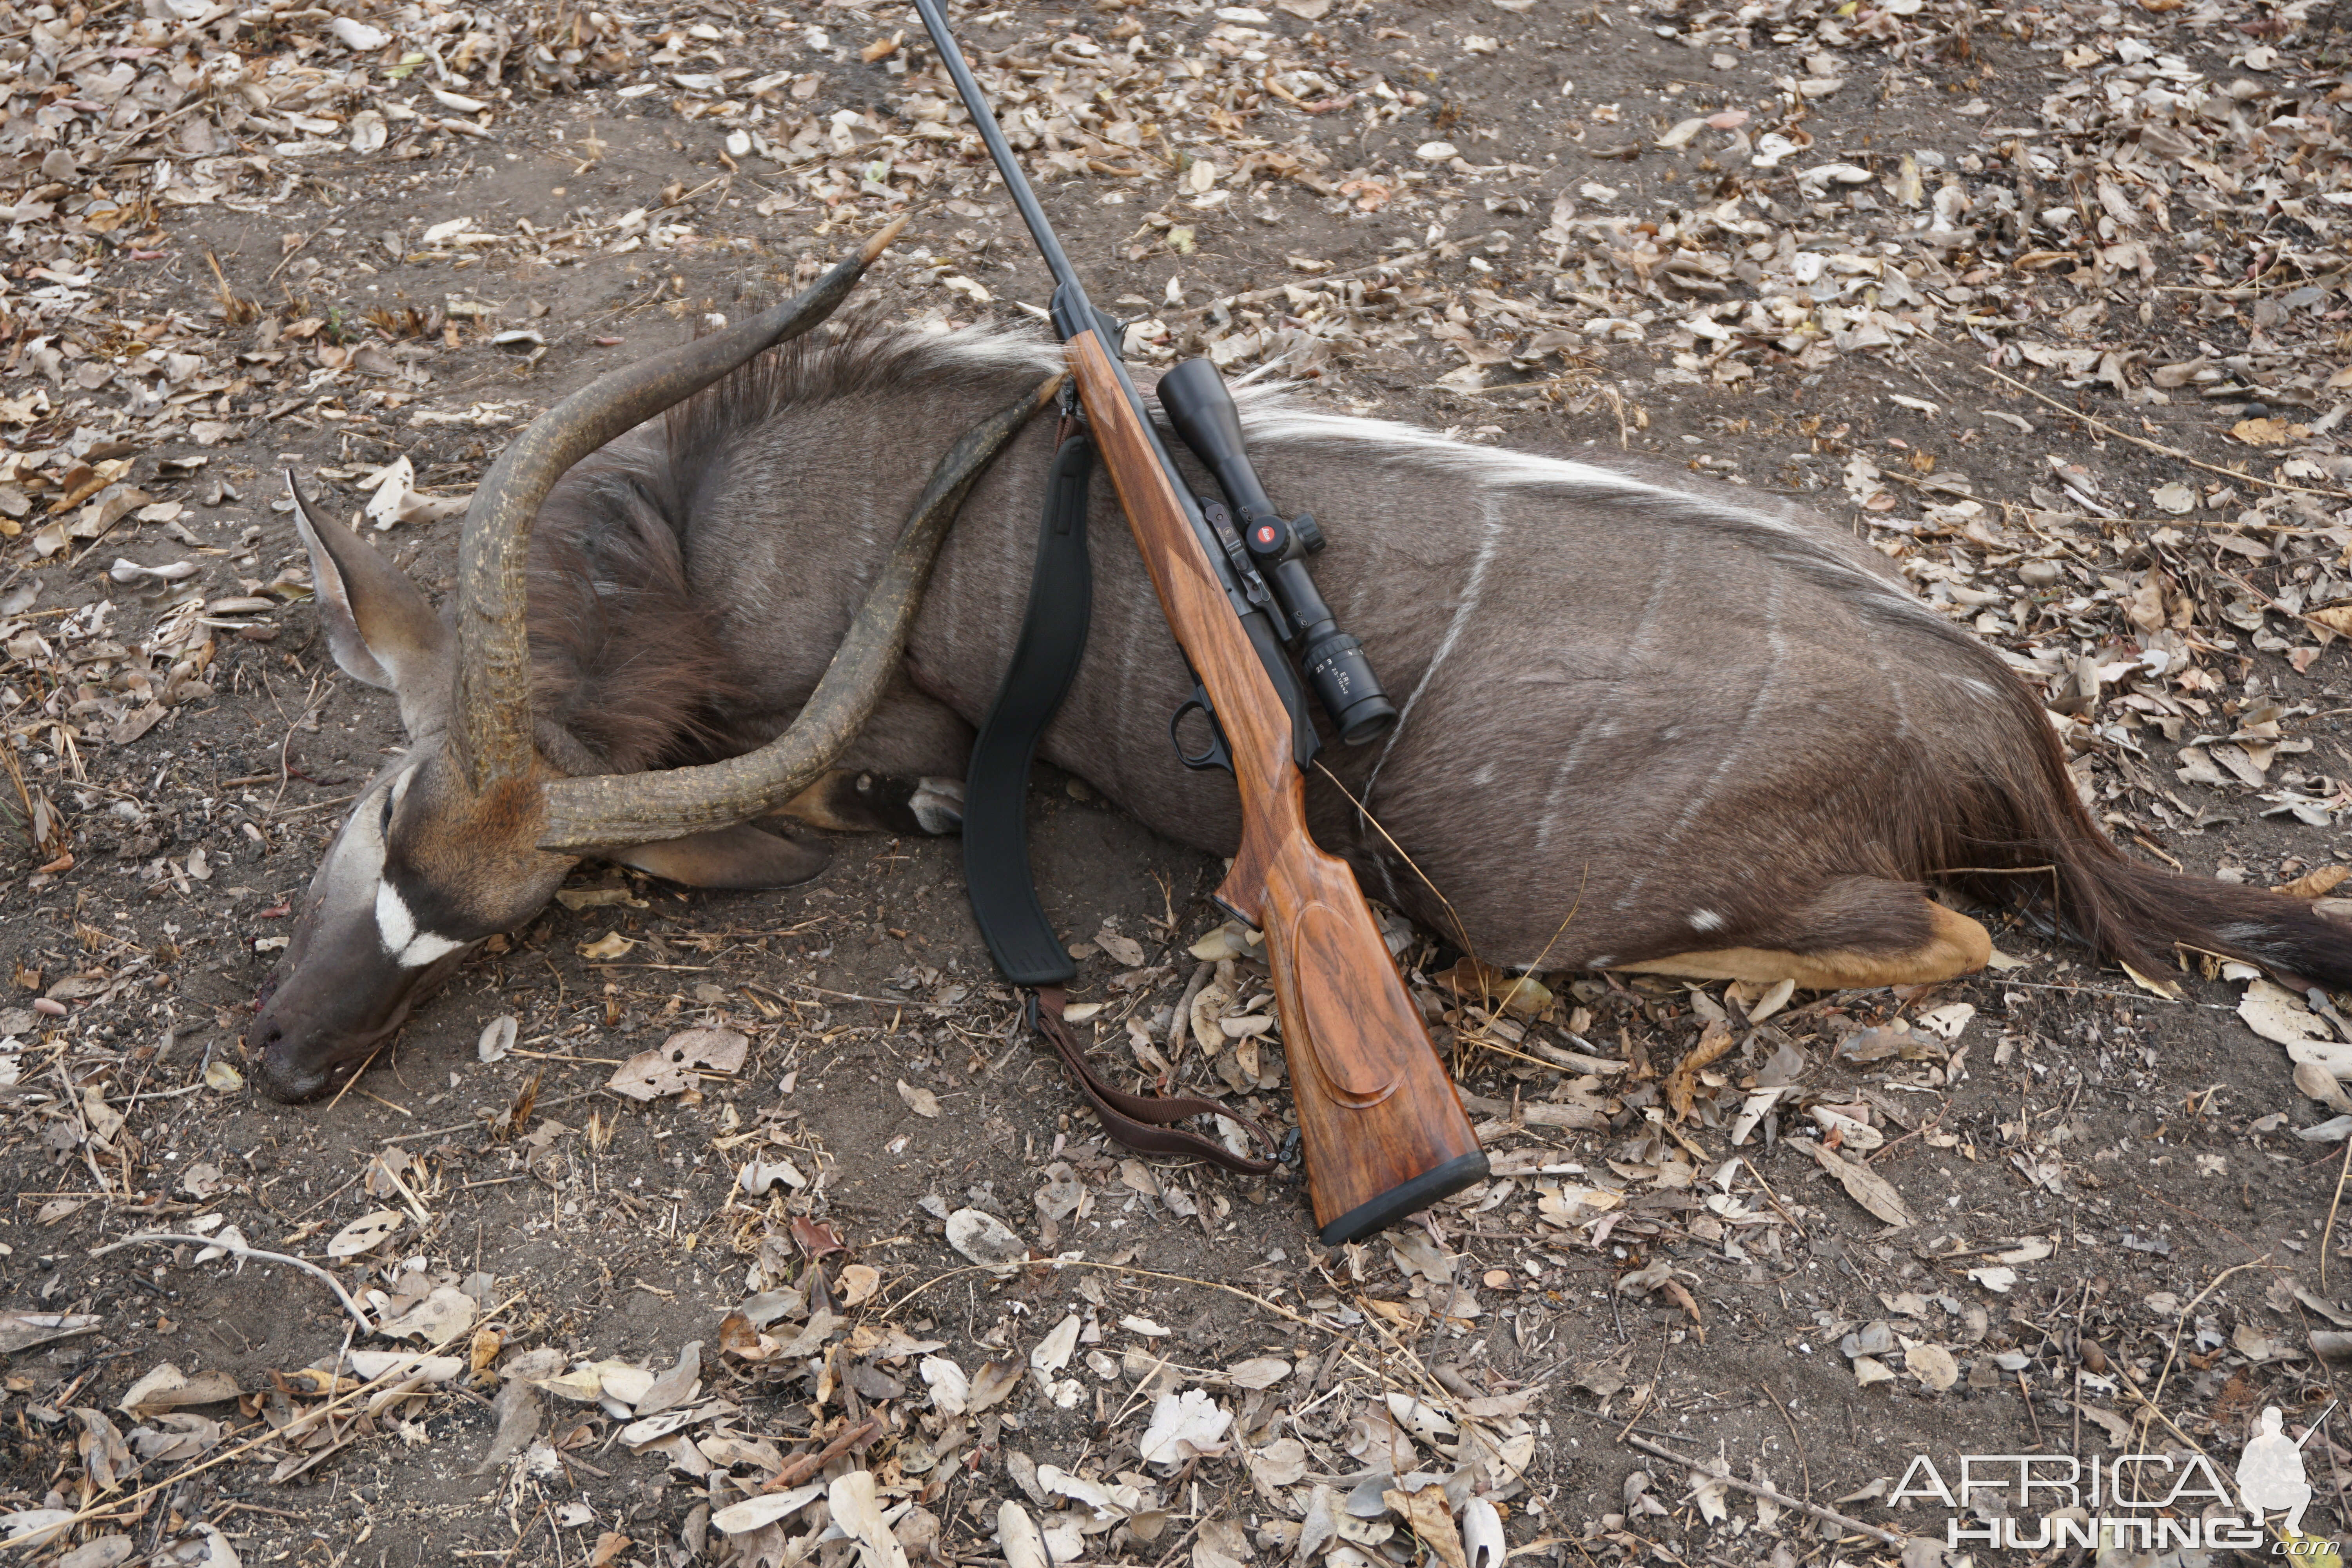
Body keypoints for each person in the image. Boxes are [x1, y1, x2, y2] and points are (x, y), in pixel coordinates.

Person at [2238, 1406, 2314, 1534]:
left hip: (2283, 1492)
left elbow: (2301, 1476)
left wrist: (2286, 1475)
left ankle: (2292, 1524)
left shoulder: (2289, 1445)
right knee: (2245, 1489)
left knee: (2306, 1490)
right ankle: (2258, 1514)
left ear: (2281, 1425)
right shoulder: (2255, 1445)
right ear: (2263, 1424)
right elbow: (2241, 1476)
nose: (2272, 1427)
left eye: (2275, 1423)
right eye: (2268, 1423)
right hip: (2261, 1493)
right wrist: (2262, 1471)